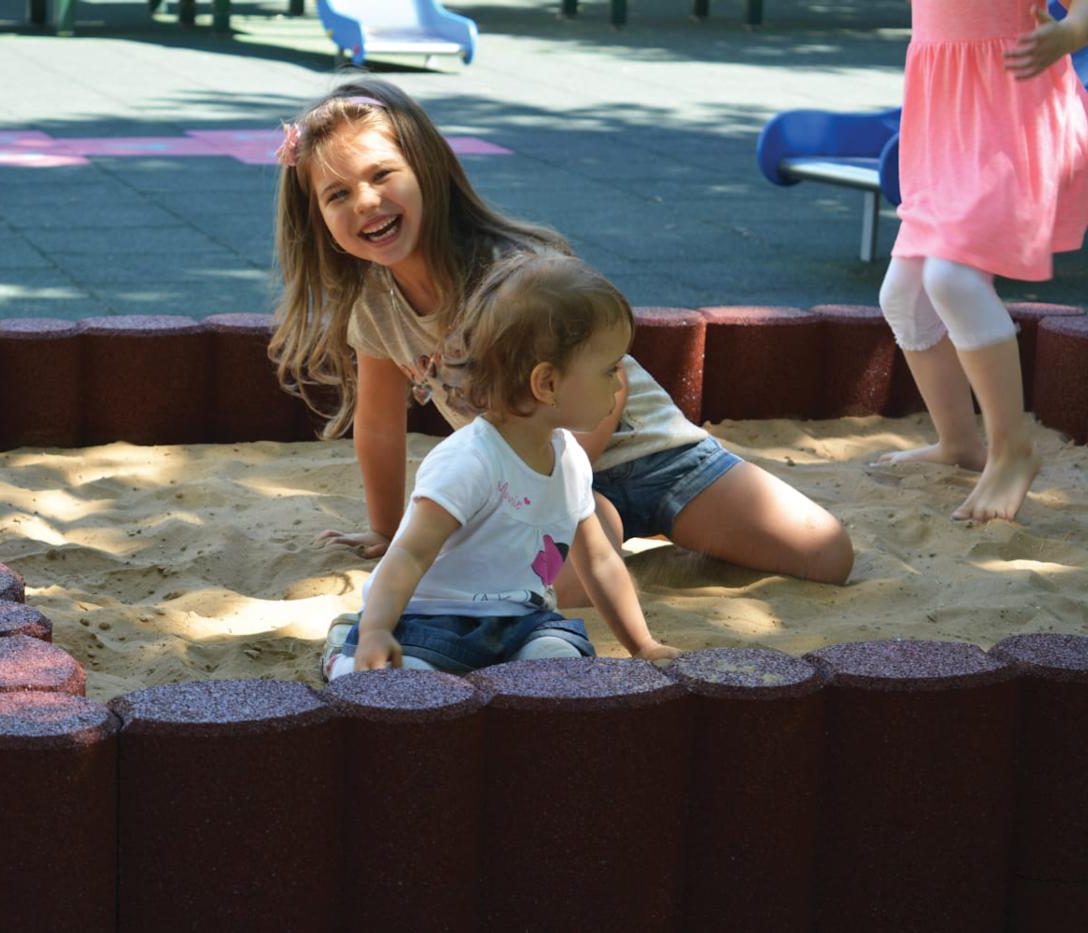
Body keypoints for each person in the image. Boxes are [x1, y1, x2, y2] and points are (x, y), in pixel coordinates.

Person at [269, 77, 853, 627]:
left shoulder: (511, 273)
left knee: (827, 555)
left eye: (381, 175)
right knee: (554, 591)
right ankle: (608, 528)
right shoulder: (374, 304)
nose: (365, 202)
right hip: (542, 482)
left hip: (646, 452)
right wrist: (387, 527)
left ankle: (659, 523)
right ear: (318, 220)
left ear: (426, 168)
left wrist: (559, 485)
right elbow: (378, 425)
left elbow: (612, 386)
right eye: (337, 194)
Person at [326, 253, 677, 678]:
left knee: (561, 658)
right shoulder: (471, 461)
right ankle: (348, 640)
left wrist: (642, 645)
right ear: (547, 383)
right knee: (399, 681)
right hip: (431, 618)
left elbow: (600, 562)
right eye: (608, 369)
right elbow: (409, 554)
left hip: (520, 620)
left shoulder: (570, 462)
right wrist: (377, 629)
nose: (620, 383)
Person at [876, 0, 1088, 521]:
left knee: (953, 279)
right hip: (948, 129)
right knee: (904, 297)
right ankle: (959, 444)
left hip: (1015, 121)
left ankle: (1013, 450)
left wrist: (1072, 31)